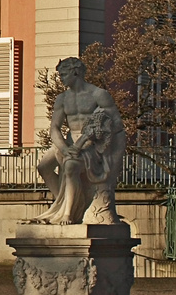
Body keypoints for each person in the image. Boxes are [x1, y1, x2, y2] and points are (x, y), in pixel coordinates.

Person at [28, 56, 126, 225]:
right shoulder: (62, 99)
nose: (61, 78)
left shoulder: (98, 94)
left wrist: (95, 139)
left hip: (91, 144)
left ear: (75, 72)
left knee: (71, 166)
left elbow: (115, 123)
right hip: (68, 142)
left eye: (64, 74)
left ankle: (69, 212)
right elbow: (54, 128)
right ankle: (65, 204)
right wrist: (64, 149)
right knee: (44, 166)